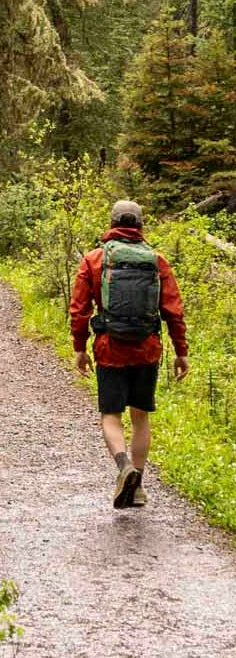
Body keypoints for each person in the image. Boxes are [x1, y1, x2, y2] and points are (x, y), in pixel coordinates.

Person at [70, 199, 189, 510]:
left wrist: (80, 348)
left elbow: (79, 311)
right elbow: (173, 311)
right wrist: (181, 352)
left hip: (110, 349)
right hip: (147, 349)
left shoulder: (94, 260)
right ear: (140, 226)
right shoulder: (157, 261)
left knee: (111, 415)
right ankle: (137, 485)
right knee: (140, 416)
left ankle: (124, 467)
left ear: (111, 225)